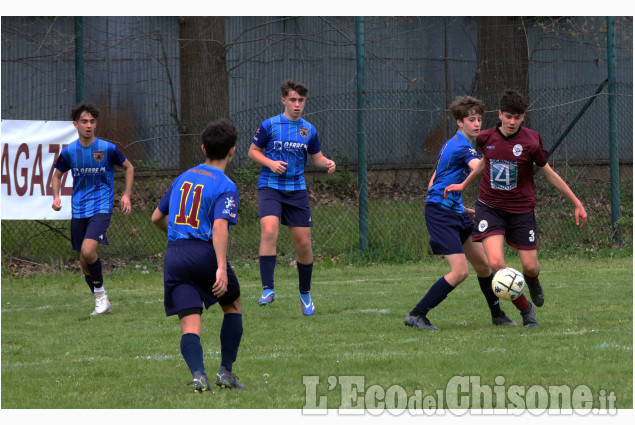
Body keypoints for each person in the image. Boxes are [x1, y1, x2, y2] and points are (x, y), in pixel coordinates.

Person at [445, 90, 587, 328]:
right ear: (500, 114)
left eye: (518, 117)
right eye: (508, 116)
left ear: (523, 117)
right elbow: (483, 163)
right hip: (490, 208)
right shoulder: (486, 138)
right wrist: (463, 184)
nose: (512, 122)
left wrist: (577, 202)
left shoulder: (531, 141)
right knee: (497, 264)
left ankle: (532, 280)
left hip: (521, 210)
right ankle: (526, 310)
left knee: (530, 266)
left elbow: (549, 173)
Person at [404, 96, 516, 331]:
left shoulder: (453, 144)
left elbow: (434, 182)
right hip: (440, 214)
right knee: (460, 271)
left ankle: (497, 315)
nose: (477, 124)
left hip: (453, 211)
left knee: (484, 265)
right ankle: (417, 314)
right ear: (459, 122)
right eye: (471, 119)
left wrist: (463, 208)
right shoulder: (462, 147)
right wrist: (503, 154)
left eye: (479, 119)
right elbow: (479, 169)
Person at [151, 119, 245, 392]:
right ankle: (226, 371)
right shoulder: (226, 185)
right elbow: (219, 226)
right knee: (233, 305)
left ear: (203, 147)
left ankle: (198, 375)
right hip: (205, 254)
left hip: (176, 256)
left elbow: (157, 217)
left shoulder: (183, 177)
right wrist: (220, 267)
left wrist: (178, 235)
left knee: (190, 323)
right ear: (232, 151)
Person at [248, 80, 336, 316]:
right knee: (268, 230)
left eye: (301, 101)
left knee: (304, 244)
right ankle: (268, 289)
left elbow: (315, 157)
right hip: (270, 187)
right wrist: (271, 163)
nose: (297, 105)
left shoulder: (309, 129)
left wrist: (326, 162)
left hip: (297, 190)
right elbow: (253, 151)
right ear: (284, 100)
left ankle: (305, 294)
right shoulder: (269, 125)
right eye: (293, 100)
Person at [52, 102, 134, 316]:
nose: (89, 125)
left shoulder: (107, 148)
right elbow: (57, 175)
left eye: (92, 122)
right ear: (75, 124)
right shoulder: (69, 151)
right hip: (79, 209)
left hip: (101, 206)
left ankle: (100, 298)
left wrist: (126, 195)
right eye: (84, 122)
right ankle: (101, 298)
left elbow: (129, 167)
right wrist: (56, 196)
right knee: (83, 260)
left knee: (89, 251)